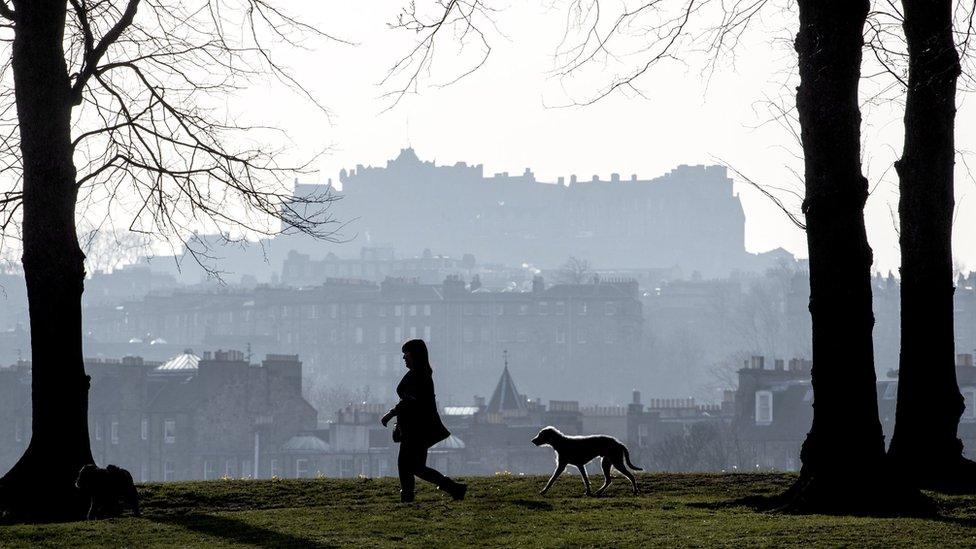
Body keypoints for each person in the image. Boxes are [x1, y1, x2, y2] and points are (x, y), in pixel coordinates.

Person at [381, 339, 467, 503]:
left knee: (408, 465)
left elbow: (411, 401)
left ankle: (410, 497)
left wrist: (391, 414)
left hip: (417, 429)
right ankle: (453, 489)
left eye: (406, 354)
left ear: (414, 355)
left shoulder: (419, 375)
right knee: (413, 466)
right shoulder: (418, 373)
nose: (404, 358)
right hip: (414, 428)